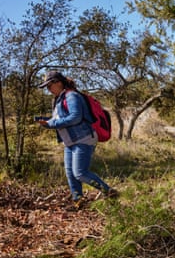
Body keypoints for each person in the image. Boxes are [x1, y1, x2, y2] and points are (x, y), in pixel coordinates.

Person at [37, 70, 118, 209]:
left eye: (50, 85)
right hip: (70, 141)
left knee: (80, 172)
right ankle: (78, 201)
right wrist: (47, 122)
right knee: (70, 173)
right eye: (47, 87)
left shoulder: (71, 96)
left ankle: (109, 192)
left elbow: (76, 117)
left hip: (83, 138)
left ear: (59, 82)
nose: (48, 89)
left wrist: (52, 124)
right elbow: (61, 118)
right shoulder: (59, 99)